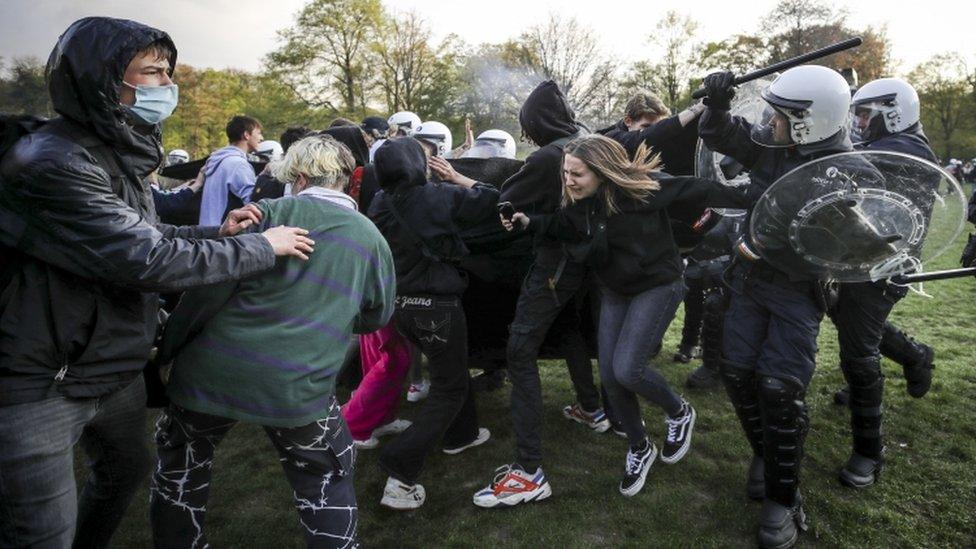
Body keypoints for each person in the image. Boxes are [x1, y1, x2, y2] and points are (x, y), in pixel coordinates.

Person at [0, 17, 313, 548]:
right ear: (101, 79)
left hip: (104, 366)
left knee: (124, 471)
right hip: (41, 382)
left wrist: (216, 230)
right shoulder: (54, 162)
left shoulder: (111, 149)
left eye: (169, 72)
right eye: (153, 72)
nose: (167, 85)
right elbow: (147, 258)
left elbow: (147, 230)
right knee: (38, 532)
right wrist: (263, 246)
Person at [150, 135, 394, 548]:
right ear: (345, 180)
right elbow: (378, 315)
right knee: (326, 479)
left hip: (211, 372)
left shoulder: (262, 214)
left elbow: (205, 292)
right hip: (298, 384)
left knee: (181, 473)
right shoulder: (369, 236)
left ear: (298, 177)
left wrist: (166, 349)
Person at [503, 134, 755, 496]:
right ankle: (639, 447)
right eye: (565, 172)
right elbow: (565, 226)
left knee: (628, 369)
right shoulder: (580, 203)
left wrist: (753, 195)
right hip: (616, 291)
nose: (568, 180)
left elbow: (698, 188)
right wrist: (529, 222)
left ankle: (679, 412)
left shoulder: (644, 190)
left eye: (577, 174)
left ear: (602, 172)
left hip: (657, 285)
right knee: (610, 375)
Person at [699, 65, 855, 548]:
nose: (770, 121)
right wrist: (718, 101)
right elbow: (720, 133)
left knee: (778, 388)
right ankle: (766, 454)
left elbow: (847, 245)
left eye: (781, 115)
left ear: (810, 121)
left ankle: (784, 500)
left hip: (797, 291)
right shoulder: (771, 146)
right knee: (738, 373)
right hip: (748, 282)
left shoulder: (850, 171)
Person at [473, 80, 608, 509]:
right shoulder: (587, 140)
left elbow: (505, 200)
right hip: (585, 263)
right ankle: (592, 407)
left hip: (555, 266)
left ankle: (528, 471)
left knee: (519, 351)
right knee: (569, 328)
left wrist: (463, 183)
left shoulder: (551, 156)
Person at [368, 137, 497, 510]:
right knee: (449, 389)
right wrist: (457, 177)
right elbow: (494, 200)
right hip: (436, 307)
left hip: (401, 308)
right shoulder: (438, 196)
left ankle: (463, 434)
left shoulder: (379, 203)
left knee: (451, 370)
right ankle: (400, 470)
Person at [828, 77, 939, 489]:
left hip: (884, 266)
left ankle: (869, 452)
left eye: (864, 115)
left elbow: (856, 163)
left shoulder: (904, 147)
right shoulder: (890, 144)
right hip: (862, 257)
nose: (858, 123)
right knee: (845, 319)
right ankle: (914, 356)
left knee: (858, 350)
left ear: (892, 113)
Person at [198, 114, 263, 225]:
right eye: (259, 133)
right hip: (223, 235)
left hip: (207, 232)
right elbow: (253, 204)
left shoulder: (218, 160)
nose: (262, 138)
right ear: (246, 135)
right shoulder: (238, 165)